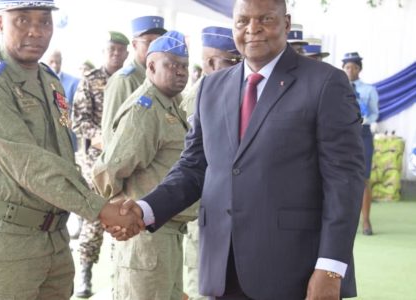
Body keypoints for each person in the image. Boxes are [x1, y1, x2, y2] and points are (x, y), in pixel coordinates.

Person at [116, 0, 365, 299]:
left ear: (285, 23)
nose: (253, 29)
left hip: (294, 271)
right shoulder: (211, 88)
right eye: (242, 21)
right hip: (223, 269)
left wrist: (331, 267)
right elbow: (194, 168)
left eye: (265, 19)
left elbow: (344, 181)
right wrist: (145, 209)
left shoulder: (325, 83)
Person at [0, 1, 143, 298]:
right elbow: (29, 163)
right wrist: (100, 210)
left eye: (44, 21)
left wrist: (101, 203)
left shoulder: (50, 81)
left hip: (54, 240)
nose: (35, 31)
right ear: (0, 23)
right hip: (5, 247)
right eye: (22, 20)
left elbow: (63, 160)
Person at [93, 30, 195, 300]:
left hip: (166, 233)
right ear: (151, 66)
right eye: (171, 65)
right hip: (146, 237)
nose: (181, 72)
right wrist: (118, 213)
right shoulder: (146, 109)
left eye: (184, 66)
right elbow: (109, 170)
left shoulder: (169, 106)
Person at [180, 26, 241, 300]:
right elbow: (191, 161)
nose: (238, 68)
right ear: (211, 63)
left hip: (219, 210)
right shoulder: (199, 96)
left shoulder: (229, 93)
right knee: (201, 285)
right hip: (198, 209)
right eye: (232, 61)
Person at [71, 30, 129, 298]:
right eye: (111, 49)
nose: (115, 54)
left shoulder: (132, 81)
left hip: (126, 162)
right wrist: (101, 139)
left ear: (127, 53)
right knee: (95, 216)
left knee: (125, 216)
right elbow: (78, 121)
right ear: (103, 52)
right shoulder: (90, 81)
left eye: (120, 50)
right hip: (95, 163)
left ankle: (123, 276)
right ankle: (84, 274)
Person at [101, 15, 166, 145]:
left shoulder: (160, 79)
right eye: (149, 42)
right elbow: (110, 133)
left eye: (159, 42)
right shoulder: (124, 80)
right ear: (135, 45)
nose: (155, 47)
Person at [342, 52, 379, 236]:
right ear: (343, 68)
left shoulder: (369, 90)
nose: (351, 70)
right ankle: (343, 221)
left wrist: (364, 120)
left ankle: (366, 221)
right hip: (340, 133)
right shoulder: (336, 87)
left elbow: (374, 112)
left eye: (354, 67)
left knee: (363, 177)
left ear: (359, 69)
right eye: (347, 67)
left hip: (362, 132)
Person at [45, 49, 80, 114]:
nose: (54, 65)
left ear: (61, 62)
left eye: (57, 62)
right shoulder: (37, 81)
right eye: (51, 62)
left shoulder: (74, 83)